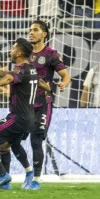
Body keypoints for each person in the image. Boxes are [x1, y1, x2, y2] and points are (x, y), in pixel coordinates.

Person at [0, 38, 36, 190]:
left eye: (12, 48)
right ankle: (21, 176)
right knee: (5, 144)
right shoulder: (31, 69)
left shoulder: (20, 69)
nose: (10, 51)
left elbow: (12, 76)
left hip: (18, 117)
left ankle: (2, 174)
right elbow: (15, 74)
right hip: (29, 117)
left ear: (19, 52)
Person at [26, 20, 71, 189]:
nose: (31, 32)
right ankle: (26, 171)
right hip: (24, 103)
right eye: (30, 30)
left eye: (35, 30)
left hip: (43, 103)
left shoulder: (51, 54)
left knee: (36, 139)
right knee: (12, 139)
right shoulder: (24, 52)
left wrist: (63, 83)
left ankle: (36, 179)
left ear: (44, 34)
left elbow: (66, 75)